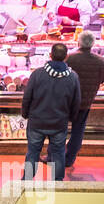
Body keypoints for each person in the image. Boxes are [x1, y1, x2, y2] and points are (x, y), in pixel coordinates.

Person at [20, 43, 80, 182]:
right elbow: (76, 102)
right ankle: (57, 181)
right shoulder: (73, 77)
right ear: (66, 57)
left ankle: (27, 181)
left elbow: (27, 97)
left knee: (33, 152)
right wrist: (70, 118)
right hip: (59, 123)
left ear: (50, 55)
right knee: (58, 153)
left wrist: (25, 114)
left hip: (37, 121)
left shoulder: (38, 74)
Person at [63, 31, 104, 173]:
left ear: (78, 42)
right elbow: (102, 79)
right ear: (93, 44)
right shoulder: (101, 61)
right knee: (78, 130)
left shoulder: (70, 58)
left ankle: (54, 156)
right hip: (86, 100)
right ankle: (69, 159)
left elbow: (62, 76)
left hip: (68, 100)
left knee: (60, 129)